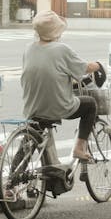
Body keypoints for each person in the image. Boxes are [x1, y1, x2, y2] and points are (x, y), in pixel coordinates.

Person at [21, 10, 103, 162]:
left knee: (32, 134)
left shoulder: (29, 49)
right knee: (90, 104)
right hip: (58, 107)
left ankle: (14, 175)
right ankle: (79, 148)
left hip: (32, 107)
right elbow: (85, 68)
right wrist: (98, 66)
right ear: (56, 32)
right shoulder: (61, 49)